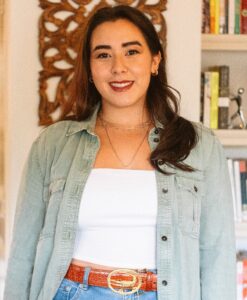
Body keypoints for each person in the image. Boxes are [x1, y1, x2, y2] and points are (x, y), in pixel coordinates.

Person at [4, 5, 236, 300]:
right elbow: (23, 252)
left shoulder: (199, 145)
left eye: (131, 52)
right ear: (89, 68)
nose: (118, 67)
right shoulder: (53, 144)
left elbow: (216, 255)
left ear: (155, 60)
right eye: (103, 54)